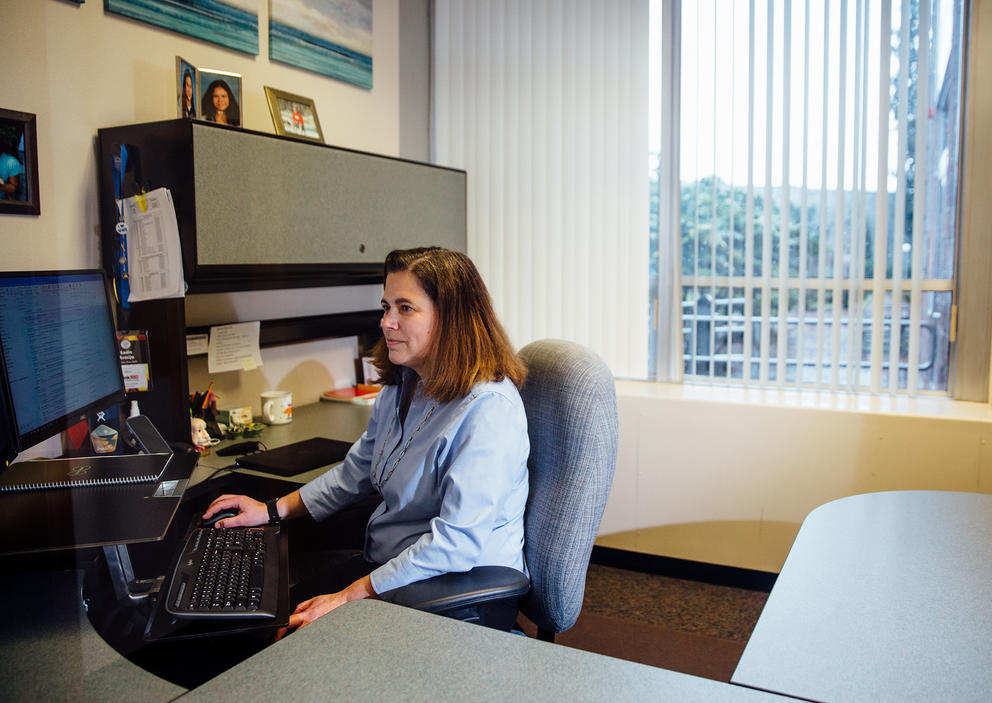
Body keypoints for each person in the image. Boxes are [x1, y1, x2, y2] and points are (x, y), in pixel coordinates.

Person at [202, 247, 530, 638]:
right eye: (386, 306)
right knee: (263, 614)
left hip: (454, 592)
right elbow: (356, 471)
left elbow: (456, 544)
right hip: (394, 568)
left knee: (290, 632)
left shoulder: (487, 410)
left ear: (452, 318)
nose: (387, 322)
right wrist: (271, 511)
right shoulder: (404, 383)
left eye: (405, 308)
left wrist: (347, 598)